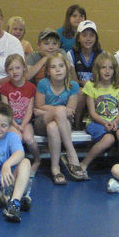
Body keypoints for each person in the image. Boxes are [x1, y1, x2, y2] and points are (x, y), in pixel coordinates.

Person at [34, 53, 86, 183]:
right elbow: (38, 107)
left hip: (63, 123)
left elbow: (71, 112)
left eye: (61, 66)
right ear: (48, 72)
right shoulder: (43, 84)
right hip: (42, 121)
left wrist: (54, 111)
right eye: (53, 67)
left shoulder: (73, 86)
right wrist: (58, 111)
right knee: (60, 111)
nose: (58, 69)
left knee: (53, 127)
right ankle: (71, 153)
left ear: (67, 68)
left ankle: (55, 169)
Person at [79, 52, 119, 176]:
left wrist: (116, 122)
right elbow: (92, 112)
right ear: (97, 69)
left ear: (115, 70)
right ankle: (84, 163)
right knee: (109, 139)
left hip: (116, 121)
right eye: (103, 67)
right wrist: (105, 123)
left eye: (111, 67)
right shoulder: (91, 86)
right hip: (96, 122)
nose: (107, 71)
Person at [0, 54, 40, 174]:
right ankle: (17, 164)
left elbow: (29, 109)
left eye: (17, 68)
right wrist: (15, 125)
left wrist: (23, 124)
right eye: (10, 69)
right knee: (17, 138)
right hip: (10, 121)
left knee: (29, 138)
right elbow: (6, 109)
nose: (14, 71)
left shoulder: (31, 87)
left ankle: (37, 160)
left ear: (24, 68)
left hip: (25, 121)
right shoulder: (4, 88)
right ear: (7, 71)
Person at [67, 20, 104, 129]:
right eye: (84, 35)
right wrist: (87, 85)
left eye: (92, 35)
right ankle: (76, 125)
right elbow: (74, 81)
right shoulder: (72, 54)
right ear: (78, 38)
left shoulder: (101, 55)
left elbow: (103, 79)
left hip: (97, 88)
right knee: (81, 93)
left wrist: (91, 86)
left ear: (96, 38)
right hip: (80, 88)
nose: (88, 39)